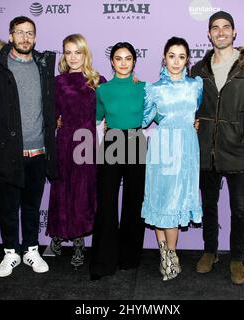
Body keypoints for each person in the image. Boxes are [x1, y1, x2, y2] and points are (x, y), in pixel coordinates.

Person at [0, 16, 57, 277]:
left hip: (38, 154)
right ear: (10, 36)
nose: (25, 38)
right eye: (20, 33)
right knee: (7, 209)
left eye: (30, 33)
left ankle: (30, 250)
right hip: (5, 155)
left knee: (31, 207)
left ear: (35, 37)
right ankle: (10, 253)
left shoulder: (43, 67)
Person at [190, 11, 244, 284]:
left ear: (235, 32)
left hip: (238, 151)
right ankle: (210, 251)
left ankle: (237, 258)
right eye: (215, 28)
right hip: (206, 151)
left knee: (239, 208)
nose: (221, 32)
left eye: (226, 27)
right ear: (208, 34)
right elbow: (190, 107)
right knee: (209, 205)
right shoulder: (197, 70)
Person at [141, 37, 203, 281]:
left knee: (176, 200)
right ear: (163, 58)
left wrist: (192, 123)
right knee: (161, 199)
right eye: (171, 56)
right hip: (162, 147)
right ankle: (166, 256)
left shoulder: (196, 85)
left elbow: (195, 112)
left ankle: (171, 254)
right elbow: (145, 120)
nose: (176, 61)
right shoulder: (153, 88)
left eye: (181, 56)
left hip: (187, 147)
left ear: (187, 60)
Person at [46, 34, 106, 269]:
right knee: (62, 190)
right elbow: (49, 111)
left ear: (85, 54)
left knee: (82, 193)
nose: (72, 57)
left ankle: (79, 244)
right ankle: (58, 237)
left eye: (77, 52)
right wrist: (54, 120)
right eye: (68, 52)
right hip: (64, 143)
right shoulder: (58, 82)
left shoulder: (97, 80)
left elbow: (110, 107)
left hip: (87, 144)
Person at [90, 42, 147, 280]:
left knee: (134, 202)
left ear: (134, 61)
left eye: (128, 58)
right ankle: (105, 260)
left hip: (135, 140)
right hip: (112, 141)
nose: (123, 62)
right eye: (118, 58)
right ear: (112, 62)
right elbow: (95, 119)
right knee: (107, 203)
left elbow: (160, 112)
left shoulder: (145, 88)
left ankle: (129, 258)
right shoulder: (102, 90)